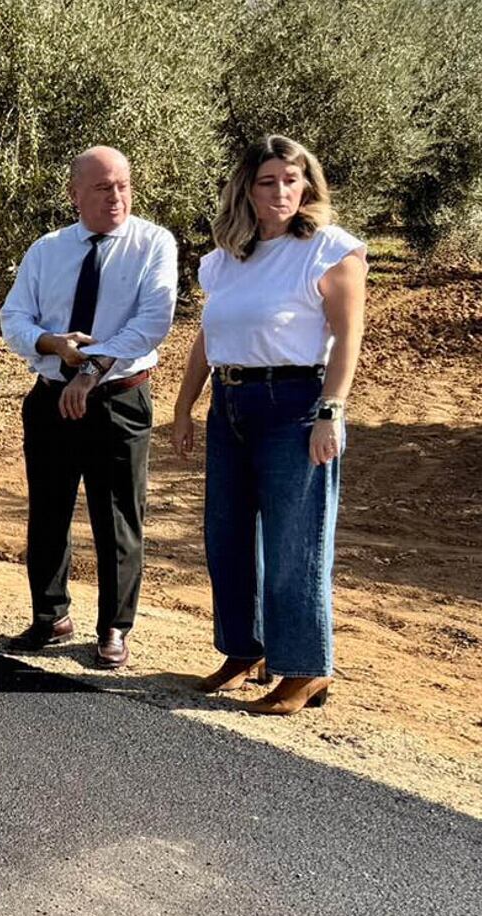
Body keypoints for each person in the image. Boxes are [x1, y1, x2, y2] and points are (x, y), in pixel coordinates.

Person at [171, 135, 365, 715]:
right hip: (229, 404)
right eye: (267, 181)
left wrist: (331, 410)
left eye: (291, 179)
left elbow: (348, 337)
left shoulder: (329, 250)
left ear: (307, 184)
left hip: (296, 404)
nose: (281, 191)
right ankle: (243, 650)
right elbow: (210, 335)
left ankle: (305, 669)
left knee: (294, 543)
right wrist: (185, 406)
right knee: (227, 536)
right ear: (246, 189)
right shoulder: (227, 256)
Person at [0, 147, 179, 668]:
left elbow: (152, 322)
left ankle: (113, 628)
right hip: (51, 398)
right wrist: (52, 344)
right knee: (49, 510)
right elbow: (14, 318)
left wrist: (91, 368)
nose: (116, 197)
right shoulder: (47, 250)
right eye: (102, 188)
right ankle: (49, 615)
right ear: (75, 194)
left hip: (117, 399)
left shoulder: (152, 244)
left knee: (118, 516)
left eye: (123, 185)